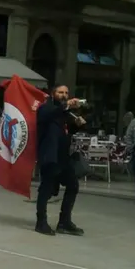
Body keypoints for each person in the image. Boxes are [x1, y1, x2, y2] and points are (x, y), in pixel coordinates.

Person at [35, 85, 86, 236]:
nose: (64, 95)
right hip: (50, 156)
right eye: (60, 92)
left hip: (63, 157)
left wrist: (77, 125)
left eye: (66, 93)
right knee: (46, 189)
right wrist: (67, 105)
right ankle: (41, 222)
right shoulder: (46, 108)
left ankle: (64, 222)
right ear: (53, 94)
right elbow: (49, 115)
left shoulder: (66, 113)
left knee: (73, 185)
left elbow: (67, 132)